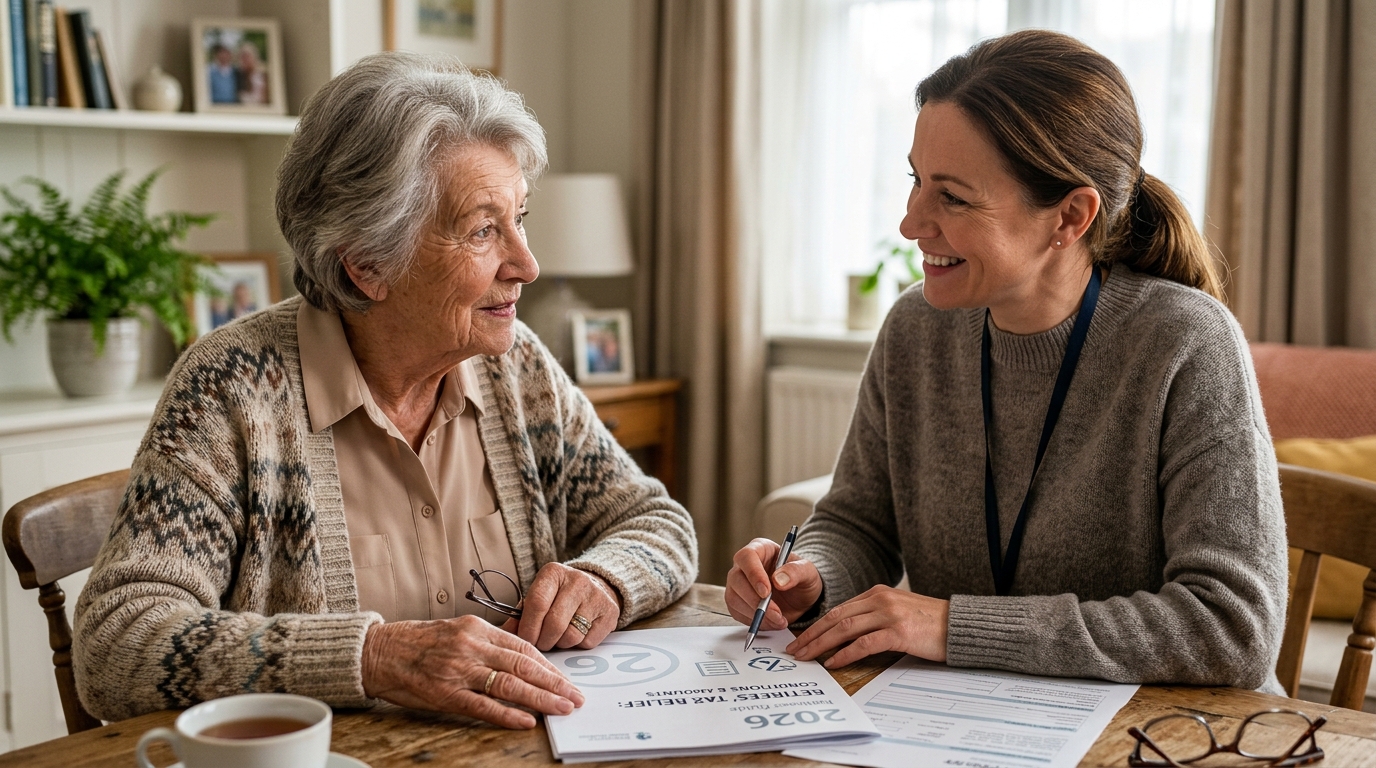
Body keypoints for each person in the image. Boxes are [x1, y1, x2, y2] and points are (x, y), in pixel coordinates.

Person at [74, 52, 698, 730]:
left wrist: (605, 578)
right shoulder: (232, 391)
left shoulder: (518, 370)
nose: (526, 264)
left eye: (520, 218)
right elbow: (115, 646)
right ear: (369, 264)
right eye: (483, 230)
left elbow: (657, 523)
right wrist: (371, 656)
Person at [726, 30, 1288, 693]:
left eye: (953, 197)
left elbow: (1232, 629)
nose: (910, 223)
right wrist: (812, 577)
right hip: (968, 718)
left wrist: (951, 627)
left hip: (1155, 737)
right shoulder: (916, 327)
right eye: (916, 180)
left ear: (1070, 216)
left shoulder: (1185, 342)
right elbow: (857, 522)